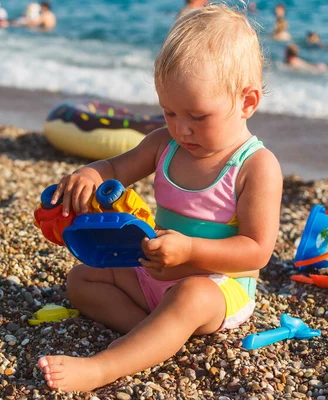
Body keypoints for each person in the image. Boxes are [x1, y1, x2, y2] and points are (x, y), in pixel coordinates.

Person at [37, 4, 283, 393]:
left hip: (217, 287)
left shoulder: (255, 166)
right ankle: (154, 336)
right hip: (158, 269)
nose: (182, 129)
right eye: (169, 112)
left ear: (247, 102)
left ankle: (107, 365)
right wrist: (91, 174)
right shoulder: (162, 145)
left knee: (190, 296)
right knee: (81, 279)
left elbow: (255, 252)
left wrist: (189, 250)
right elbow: (116, 168)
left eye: (198, 116)